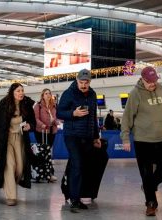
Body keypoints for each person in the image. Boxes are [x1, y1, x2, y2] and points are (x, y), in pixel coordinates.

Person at [120, 66, 162, 217]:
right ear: (142, 79)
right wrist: (125, 138)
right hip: (143, 141)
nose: (152, 84)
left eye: (154, 80)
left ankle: (148, 186)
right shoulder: (135, 94)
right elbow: (127, 118)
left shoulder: (161, 89)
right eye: (149, 81)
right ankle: (151, 203)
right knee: (146, 173)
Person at [57, 69, 101, 213]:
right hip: (72, 136)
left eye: (86, 82)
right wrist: (73, 113)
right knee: (77, 165)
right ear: (77, 81)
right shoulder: (68, 93)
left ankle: (74, 194)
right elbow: (59, 112)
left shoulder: (93, 94)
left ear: (90, 82)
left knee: (83, 167)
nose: (83, 85)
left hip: (87, 137)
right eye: (81, 82)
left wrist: (96, 137)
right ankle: (74, 200)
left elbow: (93, 117)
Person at [0, 83, 36, 206]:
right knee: (10, 165)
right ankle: (11, 196)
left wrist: (30, 126)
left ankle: (9, 184)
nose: (21, 93)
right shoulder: (3, 104)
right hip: (5, 140)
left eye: (22, 90)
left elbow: (33, 122)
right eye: (18, 91)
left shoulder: (27, 104)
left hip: (20, 139)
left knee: (20, 168)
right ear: (12, 92)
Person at [33, 88, 58, 182]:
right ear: (42, 95)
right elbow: (35, 118)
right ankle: (43, 173)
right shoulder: (38, 106)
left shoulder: (54, 106)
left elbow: (56, 117)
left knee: (48, 152)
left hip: (52, 131)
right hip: (41, 131)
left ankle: (49, 173)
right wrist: (42, 125)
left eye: (49, 93)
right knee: (43, 152)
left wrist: (56, 122)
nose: (48, 95)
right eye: (46, 93)